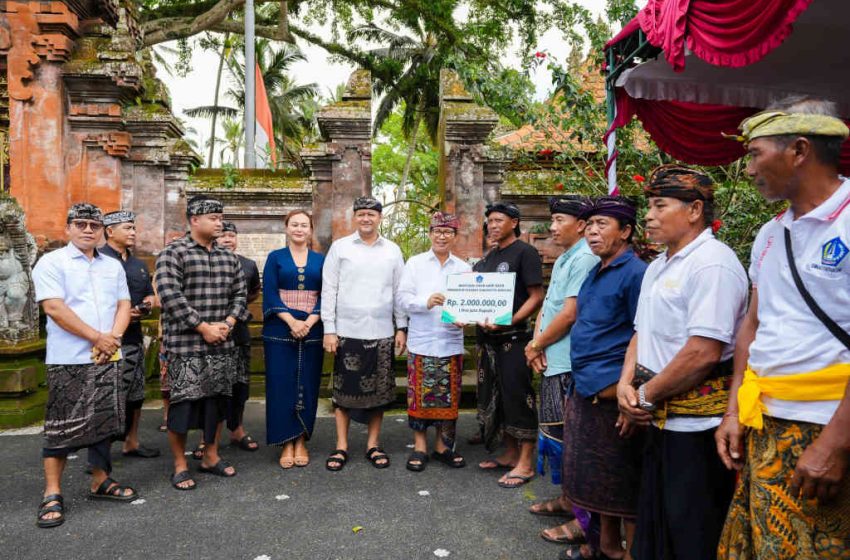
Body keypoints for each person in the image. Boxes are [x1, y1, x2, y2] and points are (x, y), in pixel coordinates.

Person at [715, 97, 850, 558]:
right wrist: (734, 409)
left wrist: (834, 443)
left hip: (829, 425)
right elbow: (753, 325)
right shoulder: (771, 233)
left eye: (754, 154)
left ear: (798, 150)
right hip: (766, 421)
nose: (748, 168)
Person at [613, 166, 747, 560]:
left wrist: (644, 394)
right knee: (656, 527)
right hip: (657, 418)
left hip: (697, 427)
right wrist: (626, 385)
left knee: (693, 532)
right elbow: (642, 332)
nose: (649, 216)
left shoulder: (713, 264)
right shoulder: (658, 265)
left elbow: (703, 351)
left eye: (659, 205)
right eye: (648, 206)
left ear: (694, 210)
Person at [32, 203, 137, 528]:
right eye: (81, 224)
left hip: (109, 355)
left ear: (102, 230)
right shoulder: (51, 263)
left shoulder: (112, 266)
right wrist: (97, 338)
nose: (88, 229)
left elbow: (124, 304)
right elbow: (54, 307)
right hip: (69, 358)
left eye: (94, 224)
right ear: (68, 228)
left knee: (105, 423)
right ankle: (52, 492)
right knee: (62, 426)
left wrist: (113, 339)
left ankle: (101, 480)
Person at [561, 196, 647, 560]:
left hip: (614, 390)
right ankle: (605, 546)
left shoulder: (636, 273)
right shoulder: (595, 269)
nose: (592, 232)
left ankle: (631, 552)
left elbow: (643, 335)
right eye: (589, 224)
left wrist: (631, 394)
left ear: (626, 231)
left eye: (602, 225)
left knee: (623, 484)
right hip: (587, 386)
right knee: (598, 480)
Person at [155, 195, 247, 490]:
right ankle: (180, 464)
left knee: (217, 404)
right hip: (185, 346)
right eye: (213, 218)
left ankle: (210, 454)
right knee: (183, 407)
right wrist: (202, 327)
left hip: (222, 343)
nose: (219, 223)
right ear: (194, 220)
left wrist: (229, 323)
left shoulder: (228, 257)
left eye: (221, 218)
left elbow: (240, 295)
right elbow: (170, 296)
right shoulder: (173, 253)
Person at [524, 196, 599, 544]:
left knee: (570, 439)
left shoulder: (584, 258)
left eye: (558, 220)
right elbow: (549, 306)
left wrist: (537, 345)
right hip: (551, 356)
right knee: (556, 433)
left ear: (581, 225)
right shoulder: (566, 257)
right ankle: (569, 498)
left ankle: (582, 517)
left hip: (568, 362)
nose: (551, 228)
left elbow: (570, 314)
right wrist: (537, 342)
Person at [321, 196, 407, 471]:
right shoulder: (340, 248)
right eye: (361, 214)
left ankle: (373, 444)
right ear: (354, 217)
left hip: (381, 332)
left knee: (380, 394)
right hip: (347, 331)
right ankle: (341, 446)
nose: (366, 219)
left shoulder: (392, 250)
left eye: (371, 214)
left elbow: (398, 292)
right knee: (343, 393)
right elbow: (329, 289)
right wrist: (329, 329)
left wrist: (401, 326)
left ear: (380, 218)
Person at [474, 201, 544, 488]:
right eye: (490, 220)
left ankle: (526, 463)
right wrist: (461, 314)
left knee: (519, 398)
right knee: (498, 398)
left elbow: (537, 296)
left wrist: (511, 320)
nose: (492, 225)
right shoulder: (489, 258)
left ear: (514, 222)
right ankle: (510, 453)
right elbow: (477, 299)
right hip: (488, 341)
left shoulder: (525, 253)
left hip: (513, 340)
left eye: (499, 220)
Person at [398, 212, 471, 472]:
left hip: (450, 342)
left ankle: (442, 447)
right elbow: (402, 300)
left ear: (454, 236)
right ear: (429, 233)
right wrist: (425, 302)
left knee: (449, 397)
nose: (442, 236)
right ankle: (419, 447)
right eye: (437, 231)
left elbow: (469, 305)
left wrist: (465, 318)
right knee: (418, 397)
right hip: (422, 341)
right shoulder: (415, 264)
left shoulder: (464, 268)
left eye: (448, 232)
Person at [263, 210, 324, 469]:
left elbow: (329, 292)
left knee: (307, 384)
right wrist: (291, 321)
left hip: (313, 329)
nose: (299, 229)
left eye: (304, 225)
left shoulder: (322, 260)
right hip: (280, 329)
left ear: (311, 230)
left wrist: (309, 321)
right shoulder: (275, 258)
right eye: (294, 224)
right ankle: (285, 441)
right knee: (281, 384)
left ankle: (301, 440)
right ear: (286, 228)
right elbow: (270, 292)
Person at [100, 210, 160, 459]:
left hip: (134, 338)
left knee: (136, 394)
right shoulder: (97, 260)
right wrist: (121, 311)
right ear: (110, 231)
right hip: (106, 339)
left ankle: (131, 441)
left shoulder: (138, 265)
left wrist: (146, 305)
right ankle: (100, 452)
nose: (133, 232)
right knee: (107, 395)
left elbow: (152, 296)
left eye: (134, 228)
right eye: (127, 228)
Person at [215, 221, 262, 453]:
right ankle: (209, 436)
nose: (227, 239)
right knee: (213, 386)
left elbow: (254, 291)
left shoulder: (248, 264)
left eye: (231, 235)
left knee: (240, 383)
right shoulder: (207, 261)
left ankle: (237, 429)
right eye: (223, 235)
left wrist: (237, 309)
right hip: (211, 332)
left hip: (239, 331)